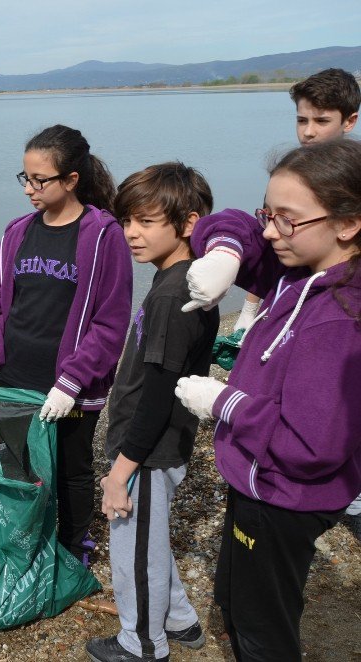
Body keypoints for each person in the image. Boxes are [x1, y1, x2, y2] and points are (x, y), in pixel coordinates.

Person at [176, 139, 361, 661]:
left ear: (347, 222)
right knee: (239, 600)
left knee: (263, 627)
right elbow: (225, 222)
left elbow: (312, 445)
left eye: (287, 220)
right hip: (258, 481)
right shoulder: (296, 271)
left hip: (282, 498)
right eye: (269, 213)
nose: (269, 231)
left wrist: (223, 403)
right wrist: (226, 253)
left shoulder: (338, 322)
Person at [0, 124, 132, 563]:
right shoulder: (17, 232)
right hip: (15, 378)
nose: (29, 189)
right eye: (25, 178)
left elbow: (111, 320)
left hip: (70, 386)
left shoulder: (102, 235)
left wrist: (72, 381)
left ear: (71, 179)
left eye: (40, 180)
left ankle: (73, 545)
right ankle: (25, 543)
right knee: (19, 468)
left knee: (71, 472)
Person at [86, 163, 218, 662]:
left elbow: (160, 393)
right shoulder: (183, 279)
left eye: (145, 221)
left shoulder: (172, 295)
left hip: (148, 449)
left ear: (187, 222)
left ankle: (142, 645)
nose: (131, 233)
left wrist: (121, 470)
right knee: (149, 537)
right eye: (126, 221)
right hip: (156, 445)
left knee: (132, 550)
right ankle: (180, 621)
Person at [233, 68, 360, 334]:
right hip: (292, 294)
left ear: (349, 122)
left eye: (321, 121)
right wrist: (250, 307)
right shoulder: (291, 175)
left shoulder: (353, 178)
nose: (308, 132)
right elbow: (271, 243)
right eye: (301, 120)